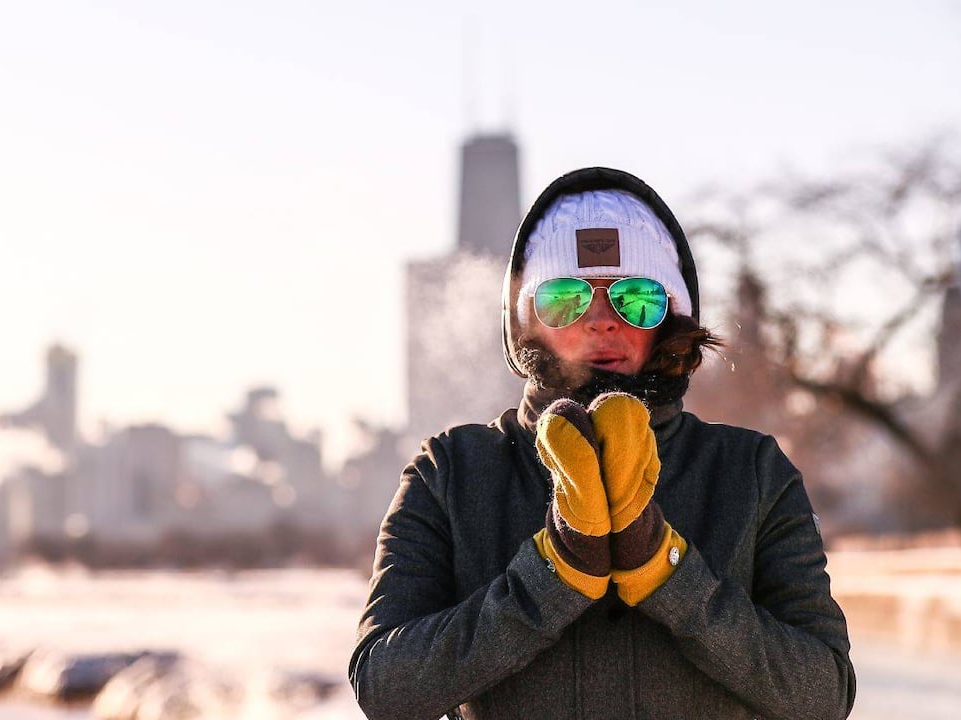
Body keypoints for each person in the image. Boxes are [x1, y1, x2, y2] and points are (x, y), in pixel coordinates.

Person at [348, 167, 856, 720]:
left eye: (636, 298)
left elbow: (823, 692)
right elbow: (385, 687)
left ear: (672, 317)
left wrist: (666, 569)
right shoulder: (449, 471)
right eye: (564, 299)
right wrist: (553, 573)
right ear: (523, 322)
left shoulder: (751, 471)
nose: (601, 321)